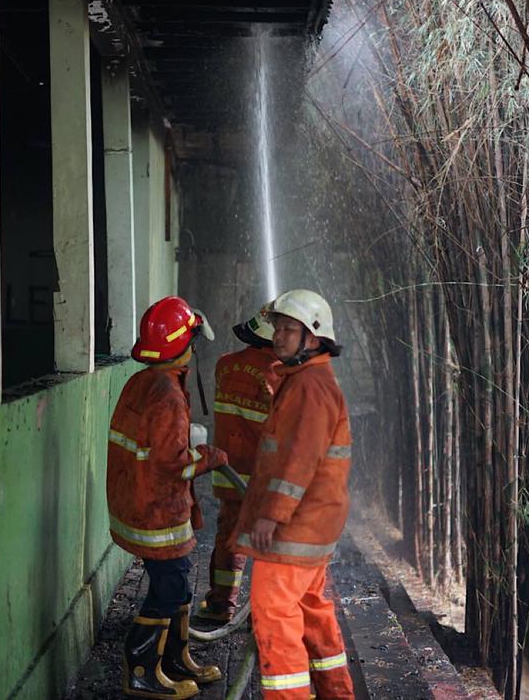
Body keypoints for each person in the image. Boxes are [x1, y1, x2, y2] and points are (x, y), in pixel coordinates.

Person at [234, 289, 355, 698]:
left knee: (274, 615)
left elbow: (299, 461)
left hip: (294, 529)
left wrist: (271, 515)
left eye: (289, 330)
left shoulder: (309, 387)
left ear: (314, 338)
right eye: (279, 329)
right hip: (313, 524)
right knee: (311, 611)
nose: (279, 337)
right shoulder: (306, 380)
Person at [107, 296, 229, 699]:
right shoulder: (168, 395)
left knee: (178, 583)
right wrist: (208, 456)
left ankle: (175, 659)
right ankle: (142, 670)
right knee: (170, 589)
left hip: (136, 505)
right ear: (182, 345)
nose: (195, 349)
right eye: (193, 341)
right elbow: (172, 464)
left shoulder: (142, 382)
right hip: (156, 512)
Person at [196, 304, 281, 622]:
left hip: (228, 475)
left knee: (230, 538)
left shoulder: (224, 365)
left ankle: (221, 605)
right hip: (264, 479)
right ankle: (265, 615)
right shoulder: (280, 376)